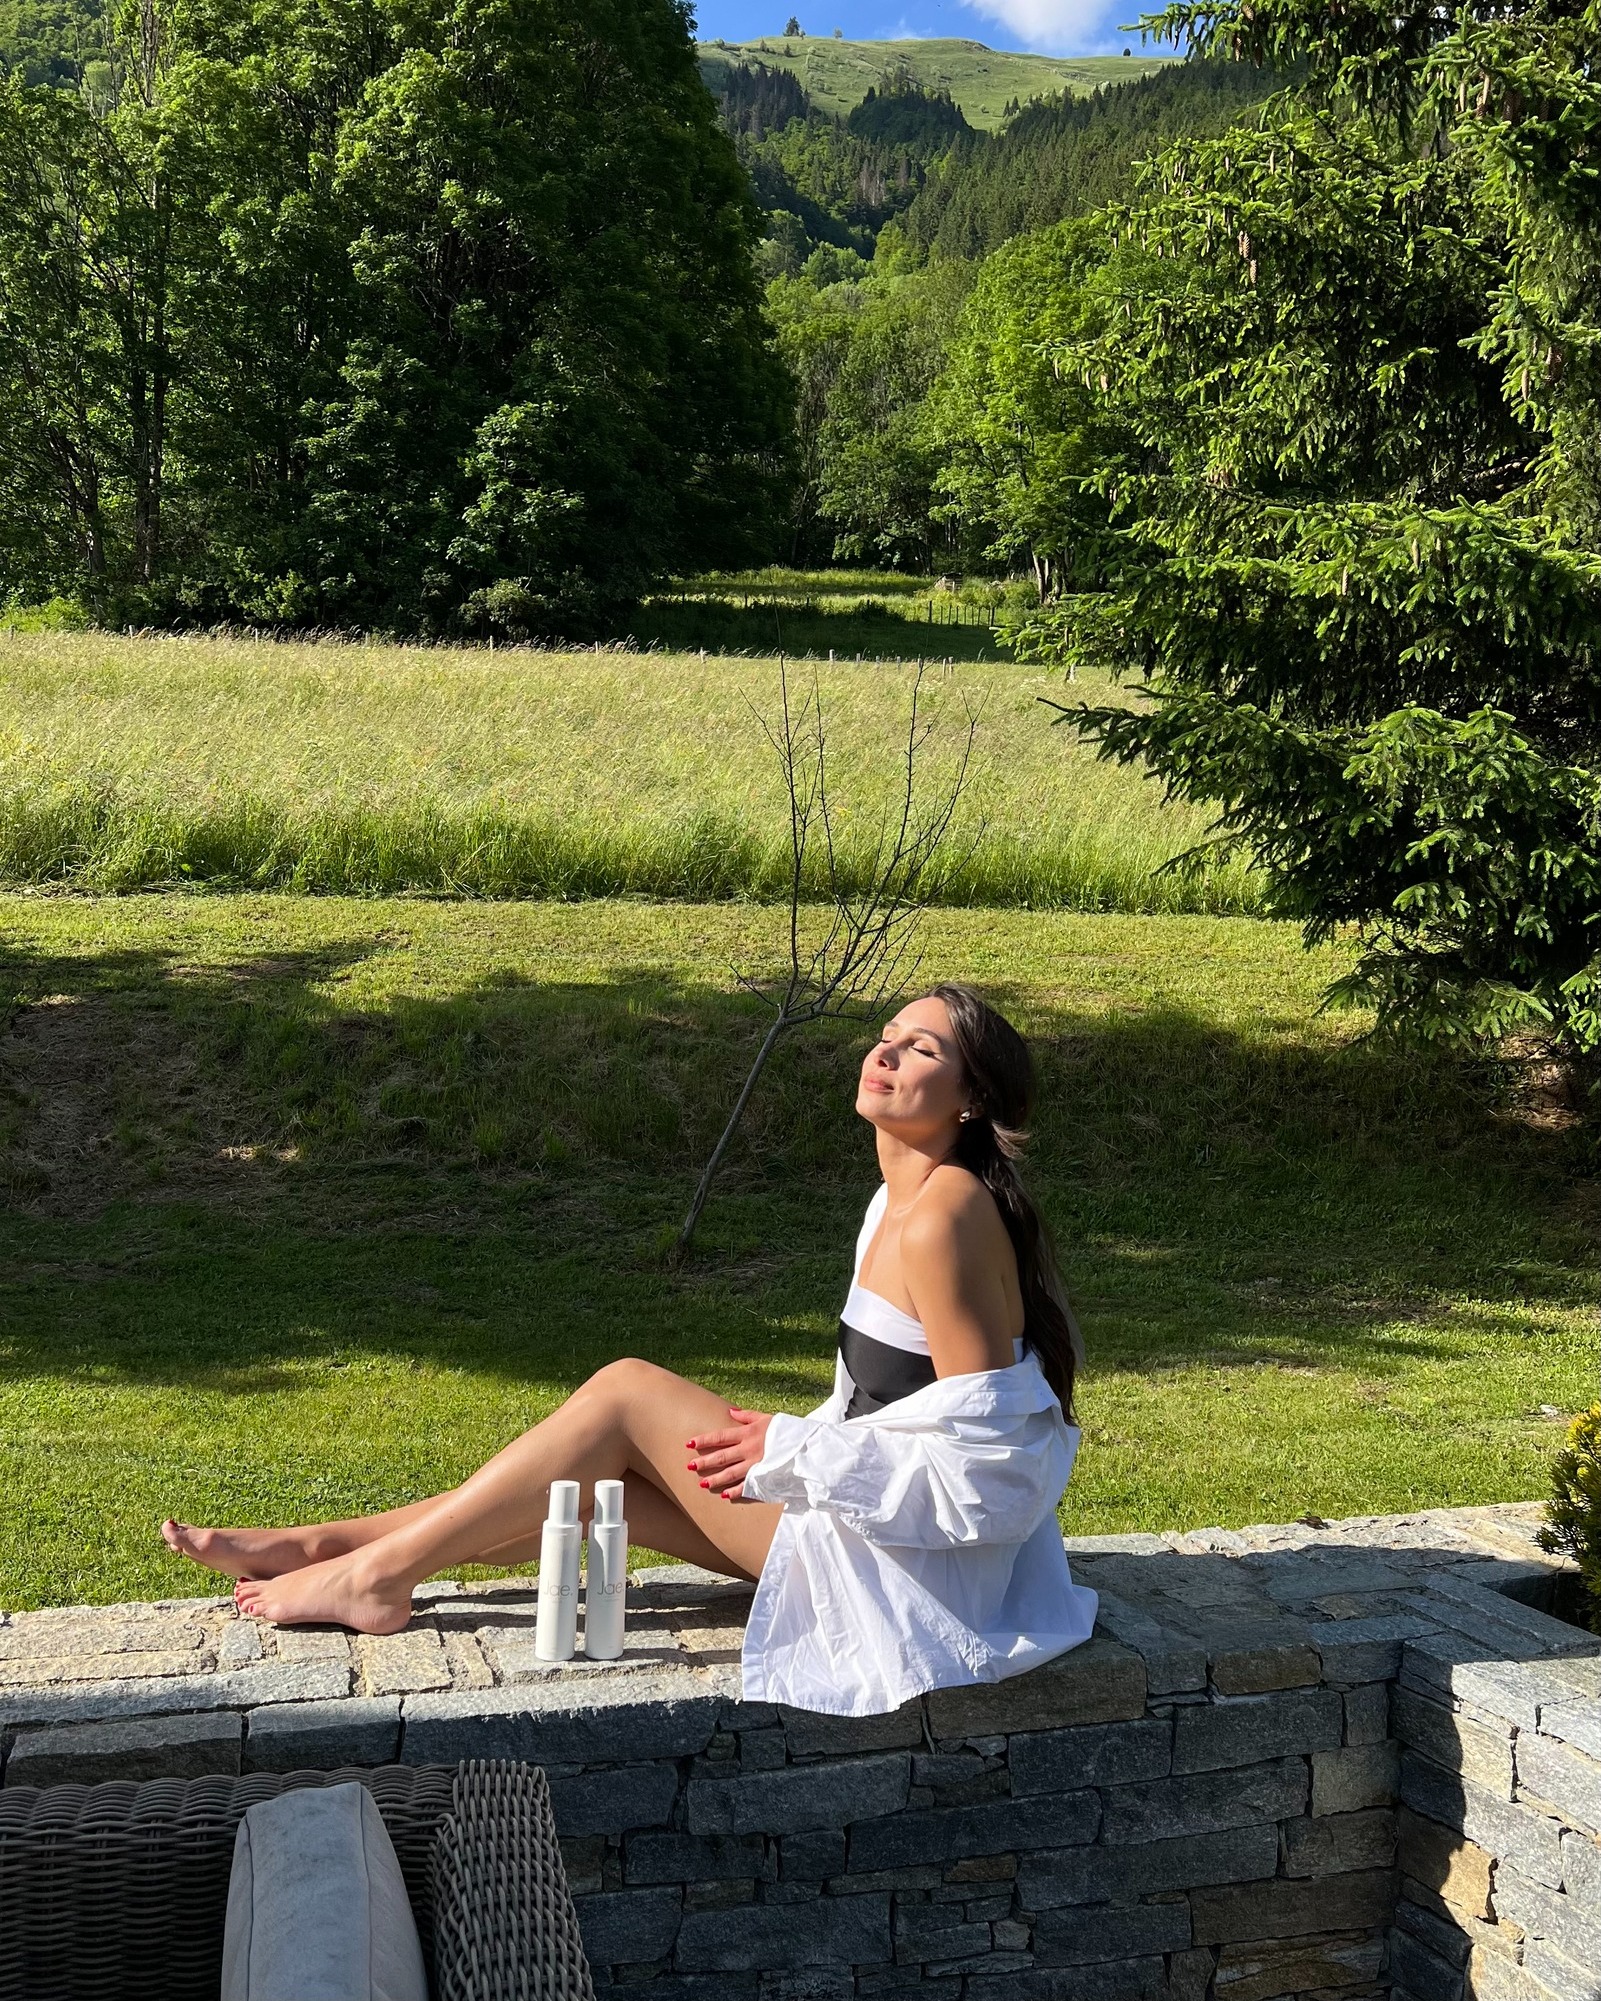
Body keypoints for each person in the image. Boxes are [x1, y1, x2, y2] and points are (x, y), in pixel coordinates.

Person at [161, 983, 1098, 1716]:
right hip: (864, 1530)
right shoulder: (899, 1196)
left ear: (972, 1099)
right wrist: (798, 1447)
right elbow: (888, 1408)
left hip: (914, 1577)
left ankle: (374, 1573)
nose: (884, 1052)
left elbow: (992, 1478)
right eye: (885, 1034)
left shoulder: (944, 1217)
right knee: (589, 1492)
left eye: (921, 1048)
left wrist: (795, 1449)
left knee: (623, 1392)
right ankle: (331, 1546)